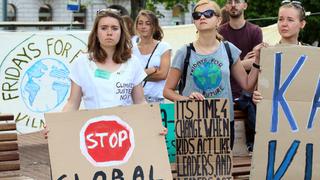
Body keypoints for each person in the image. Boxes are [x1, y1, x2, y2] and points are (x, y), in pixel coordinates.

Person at [163, 0, 264, 149]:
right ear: (194, 21)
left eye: (208, 14)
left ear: (218, 20)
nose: (202, 17)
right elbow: (167, 90)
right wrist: (186, 99)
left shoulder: (229, 50)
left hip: (222, 122)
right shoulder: (184, 52)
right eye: (197, 15)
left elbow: (247, 85)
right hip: (192, 121)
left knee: (220, 171)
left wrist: (258, 60)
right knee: (195, 171)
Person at [218, 0, 263, 152]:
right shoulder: (219, 32)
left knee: (255, 103)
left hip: (248, 89)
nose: (233, 4)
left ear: (245, 5)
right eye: (229, 1)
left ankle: (256, 147)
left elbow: (258, 61)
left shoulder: (255, 31)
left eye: (237, 1)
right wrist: (243, 62)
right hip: (224, 90)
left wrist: (233, 63)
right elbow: (217, 65)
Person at [253, 0, 307, 104]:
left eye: (290, 20)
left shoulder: (313, 57)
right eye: (280, 19)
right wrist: (256, 96)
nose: (284, 24)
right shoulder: (266, 54)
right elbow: (261, 87)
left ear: (302, 24)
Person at [133, 10, 172, 103]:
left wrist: (138, 76)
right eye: (140, 23)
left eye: (147, 23)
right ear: (136, 26)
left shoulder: (164, 47)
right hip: (135, 100)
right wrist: (150, 71)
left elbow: (163, 74)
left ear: (153, 26)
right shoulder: (131, 50)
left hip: (156, 99)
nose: (143, 27)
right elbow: (128, 76)